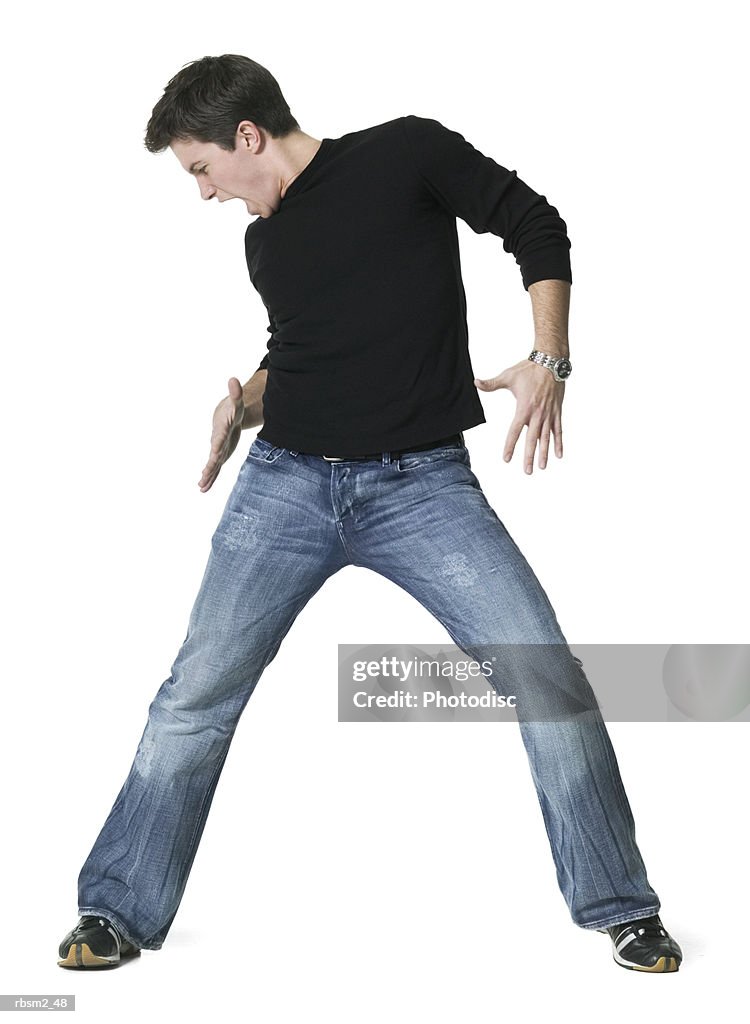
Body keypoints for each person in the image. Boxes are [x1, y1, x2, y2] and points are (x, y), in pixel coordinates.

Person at [57, 54, 682, 974]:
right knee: (195, 695)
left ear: (246, 135)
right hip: (284, 486)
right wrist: (246, 406)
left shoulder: (406, 153)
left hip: (423, 488)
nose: (202, 195)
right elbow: (301, 349)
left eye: (199, 170)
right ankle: (115, 910)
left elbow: (538, 228)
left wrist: (549, 359)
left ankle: (621, 906)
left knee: (547, 679)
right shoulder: (261, 243)